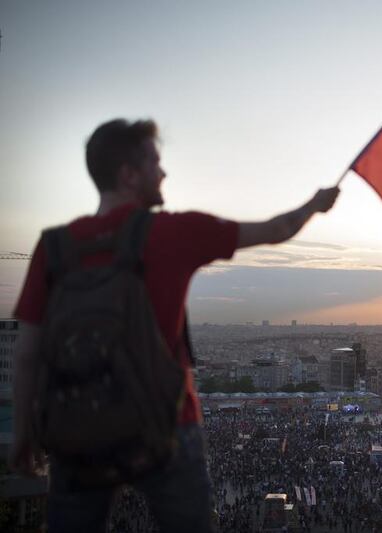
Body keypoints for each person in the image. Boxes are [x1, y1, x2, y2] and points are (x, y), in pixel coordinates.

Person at [8, 118, 340, 532]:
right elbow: (277, 229)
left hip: (79, 428)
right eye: (155, 162)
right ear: (129, 174)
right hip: (166, 426)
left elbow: (27, 354)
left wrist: (24, 435)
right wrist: (316, 203)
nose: (163, 173)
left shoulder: (54, 246)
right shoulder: (173, 231)